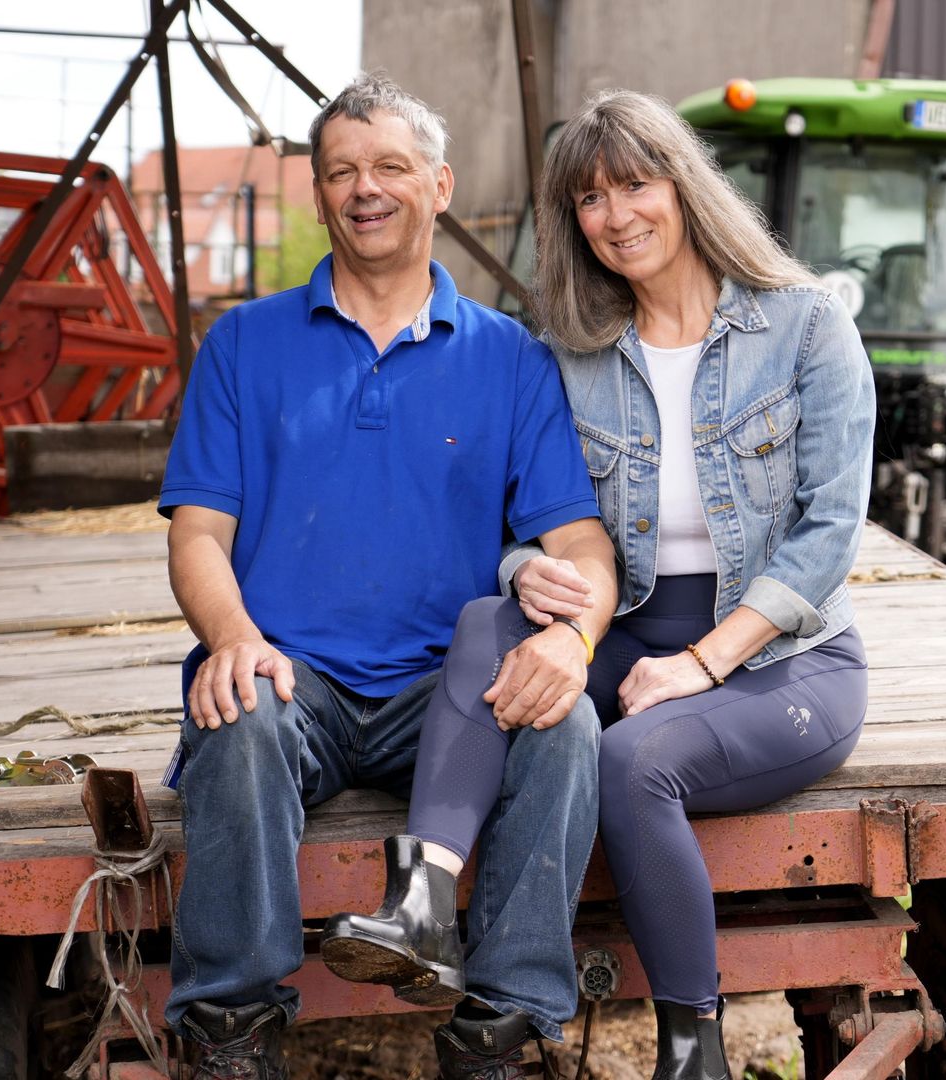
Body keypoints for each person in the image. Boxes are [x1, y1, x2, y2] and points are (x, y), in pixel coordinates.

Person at [331, 87, 876, 1080]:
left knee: (633, 764)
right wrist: (529, 570)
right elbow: (514, 523)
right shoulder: (573, 353)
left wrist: (702, 665)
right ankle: (422, 904)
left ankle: (691, 1051)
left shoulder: (804, 327)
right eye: (589, 199)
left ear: (686, 187)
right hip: (625, 629)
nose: (615, 215)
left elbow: (830, 532)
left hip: (783, 661)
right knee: (489, 621)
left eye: (634, 184)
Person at [159, 72, 616, 1080]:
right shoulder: (243, 345)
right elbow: (197, 535)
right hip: (294, 676)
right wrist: (235, 638)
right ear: (320, 195)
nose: (367, 189)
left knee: (568, 723)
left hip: (446, 697)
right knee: (236, 717)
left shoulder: (511, 358)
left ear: (440, 185)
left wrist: (570, 641)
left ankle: (498, 1033)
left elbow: (583, 549)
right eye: (342, 172)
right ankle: (232, 1032)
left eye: (391, 168)